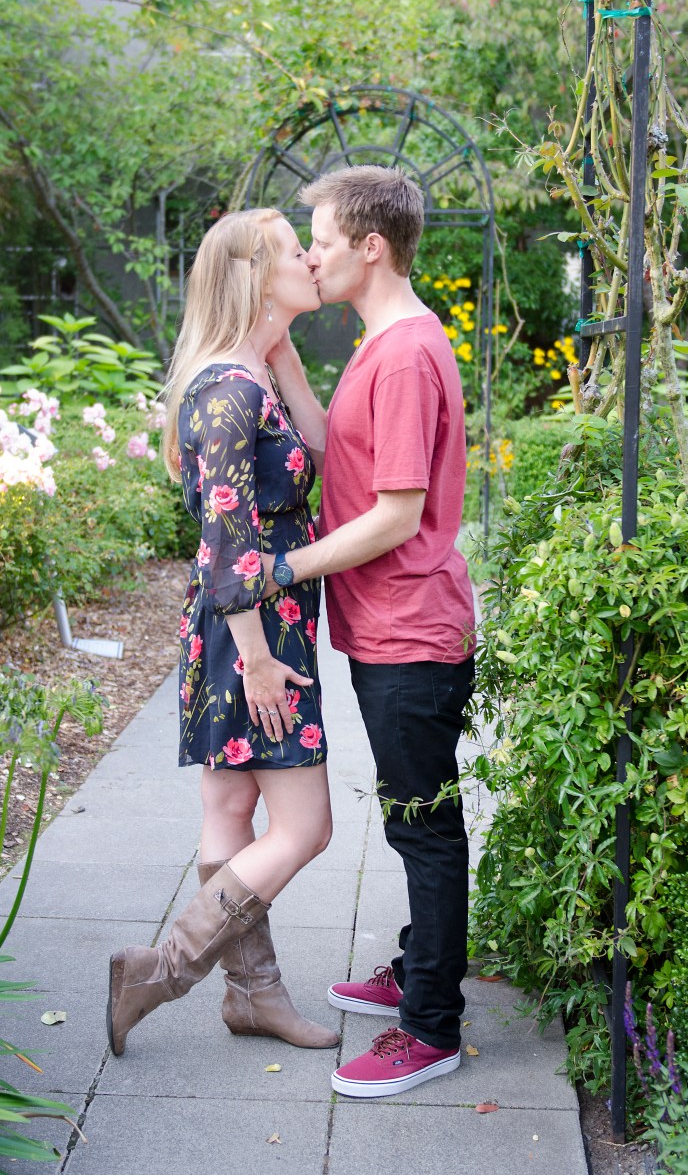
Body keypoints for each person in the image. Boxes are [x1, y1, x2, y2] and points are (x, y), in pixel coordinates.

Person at [262, 165, 476, 1098]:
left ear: (371, 246)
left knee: (423, 830)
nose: (311, 255)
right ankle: (421, 965)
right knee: (410, 817)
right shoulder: (381, 341)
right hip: (389, 627)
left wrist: (283, 569)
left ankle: (430, 1026)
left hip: (411, 633)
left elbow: (395, 514)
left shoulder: (404, 355)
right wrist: (279, 350)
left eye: (321, 240)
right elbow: (333, 448)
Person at [107, 208, 339, 1058]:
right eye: (295, 252)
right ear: (254, 274)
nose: (311, 260)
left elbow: (324, 451)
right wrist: (259, 661)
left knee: (232, 806)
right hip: (252, 633)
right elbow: (225, 534)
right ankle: (161, 969)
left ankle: (253, 997)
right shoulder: (229, 392)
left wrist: (280, 347)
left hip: (245, 624)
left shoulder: (251, 376)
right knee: (305, 827)